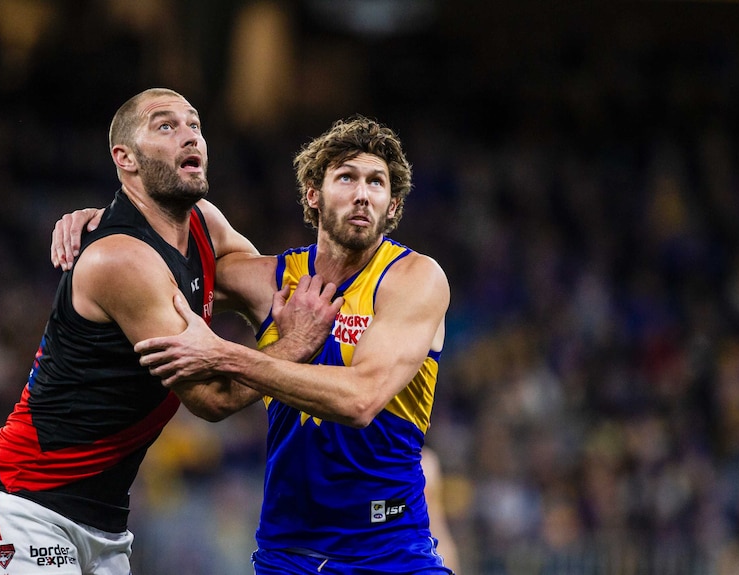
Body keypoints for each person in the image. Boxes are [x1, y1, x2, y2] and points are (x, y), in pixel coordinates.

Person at [0, 88, 339, 575]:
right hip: (23, 506)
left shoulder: (203, 223)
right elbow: (212, 397)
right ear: (125, 158)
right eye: (166, 126)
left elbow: (276, 293)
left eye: (194, 125)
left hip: (104, 526)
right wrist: (295, 345)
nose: (190, 136)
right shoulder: (121, 259)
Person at [56, 115, 454, 574]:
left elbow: (360, 399)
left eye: (377, 183)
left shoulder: (413, 278)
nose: (363, 194)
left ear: (393, 204)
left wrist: (225, 354)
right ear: (313, 194)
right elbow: (151, 261)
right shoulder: (269, 281)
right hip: (287, 556)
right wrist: (106, 224)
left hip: (392, 552)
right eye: (346, 177)